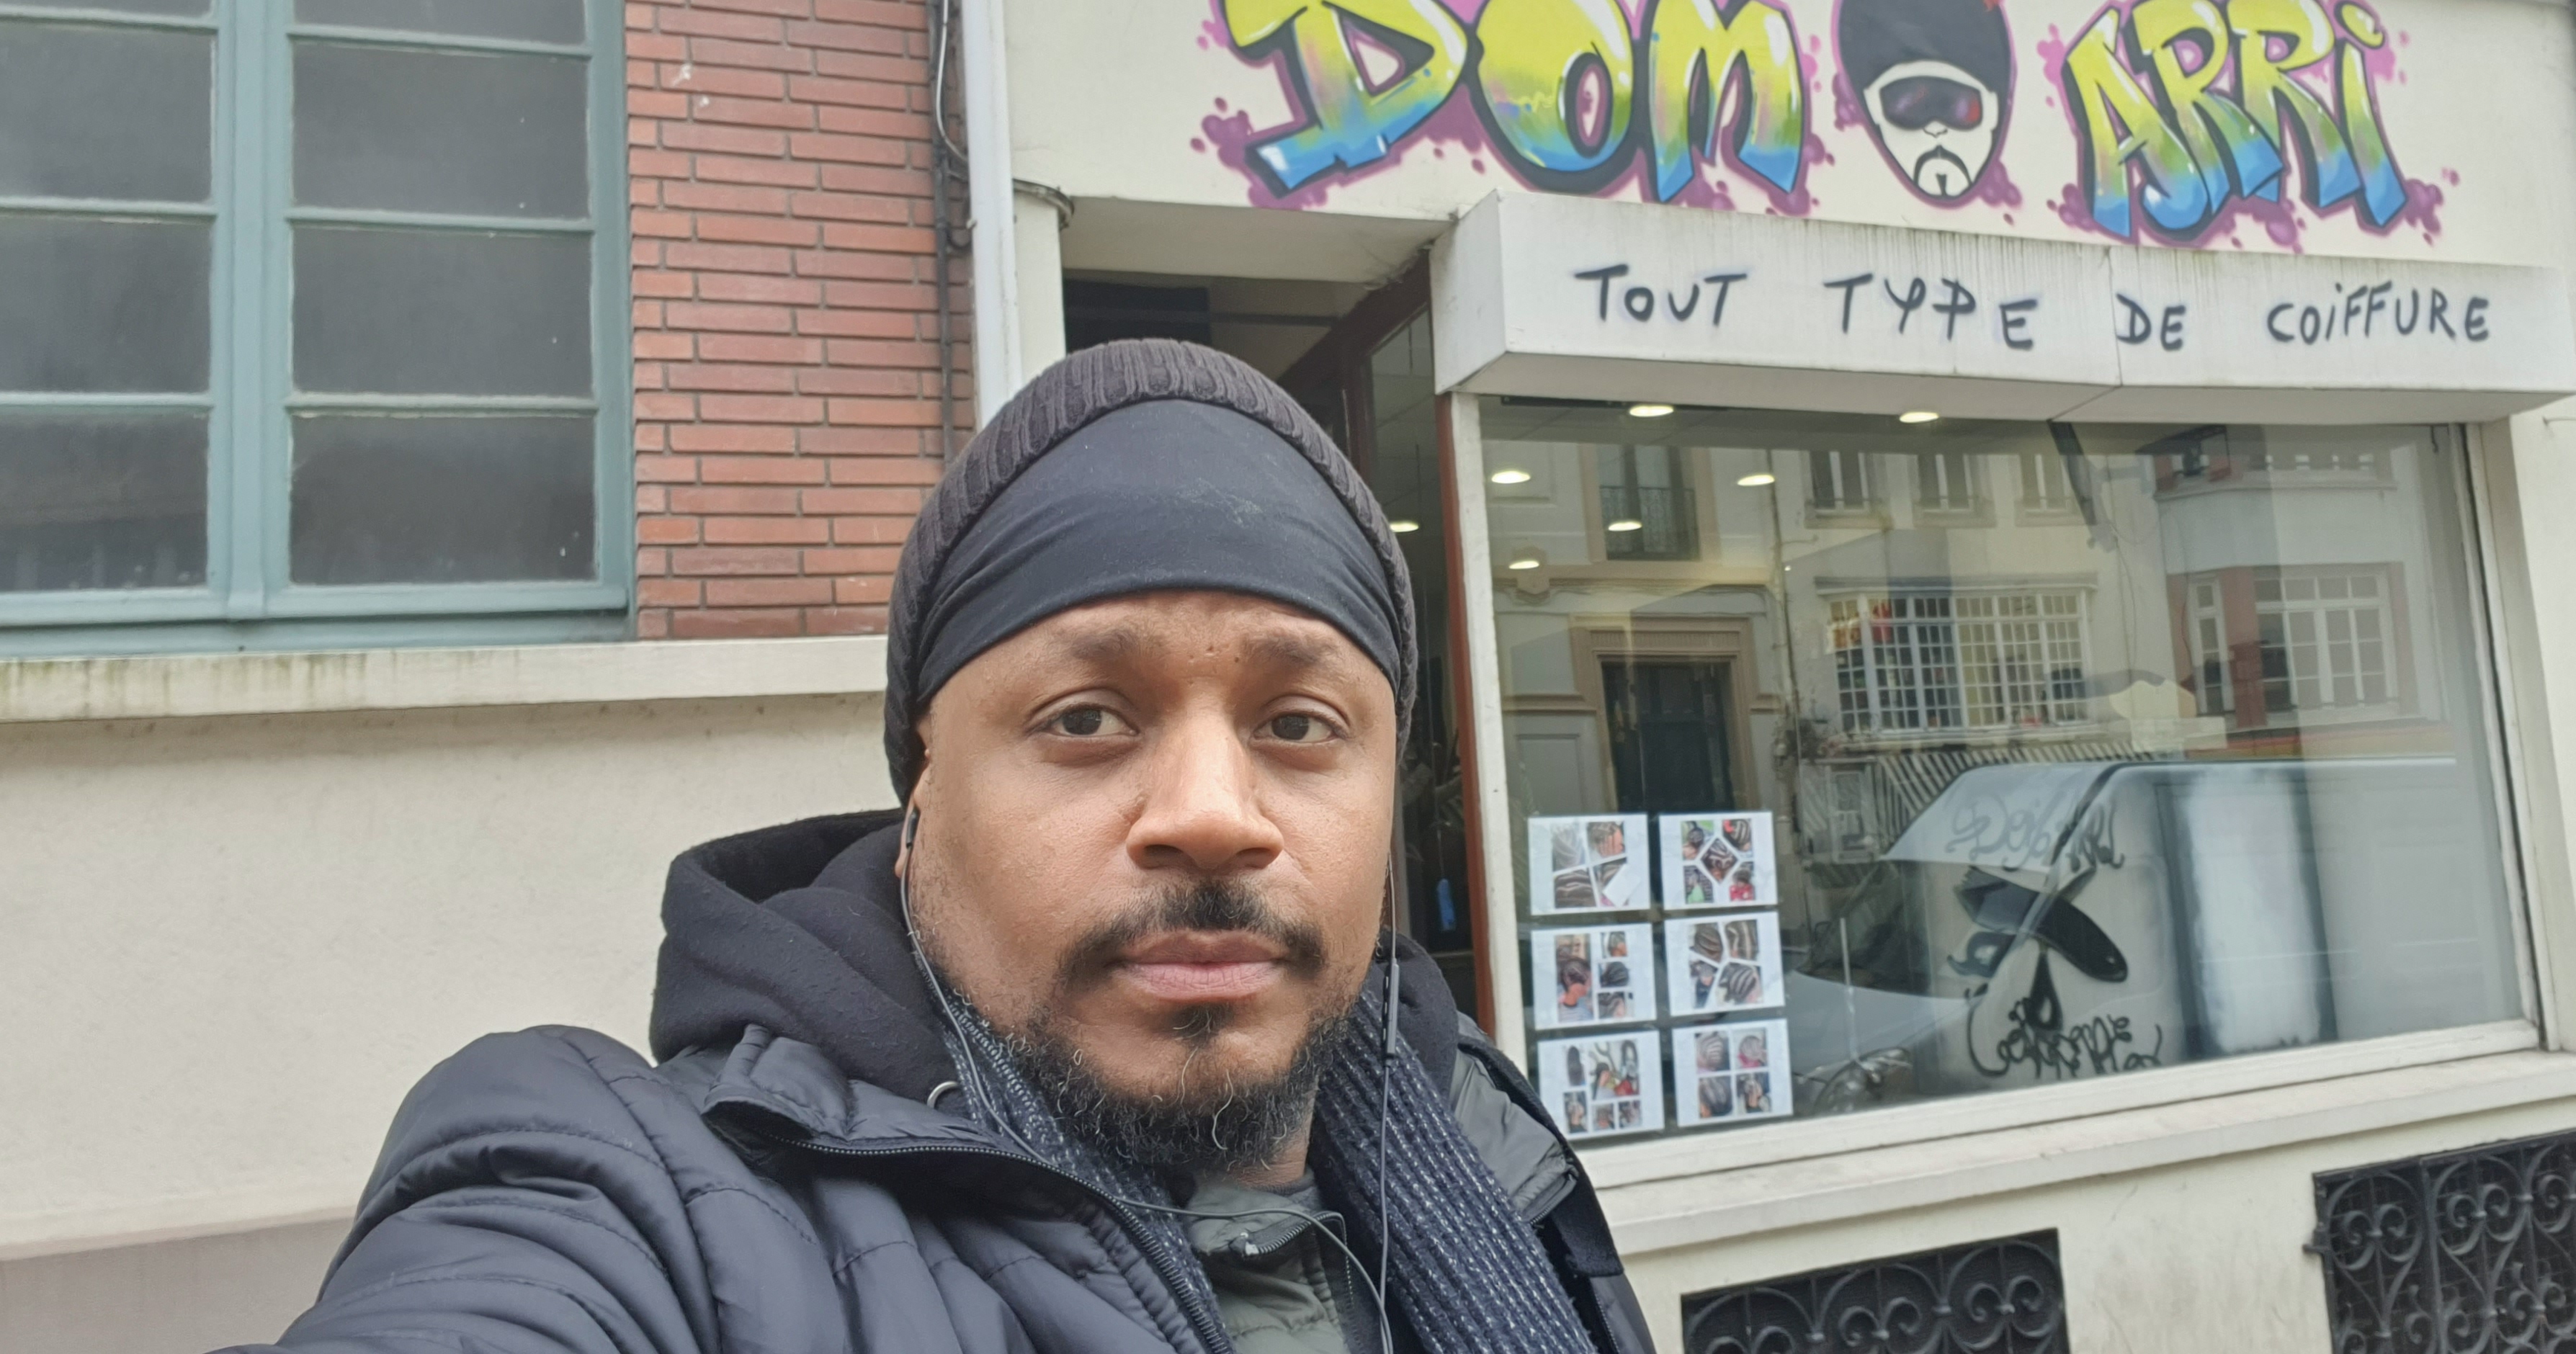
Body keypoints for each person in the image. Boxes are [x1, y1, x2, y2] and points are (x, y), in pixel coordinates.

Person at [228, 341, 1655, 1354]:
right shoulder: (636, 1202)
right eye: (1086, 718)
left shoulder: (1484, 1133)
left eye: (1299, 723)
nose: (1215, 814)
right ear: (920, 803)